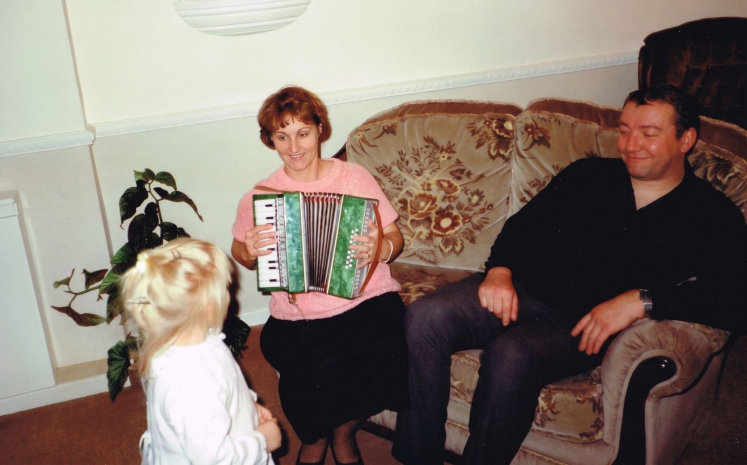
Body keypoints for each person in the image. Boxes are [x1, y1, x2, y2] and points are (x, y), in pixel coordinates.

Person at [392, 86, 747, 465]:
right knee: (426, 316)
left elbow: (735, 299)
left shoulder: (711, 214)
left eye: (648, 132)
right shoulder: (589, 174)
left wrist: (642, 301)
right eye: (624, 130)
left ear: (685, 139)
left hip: (580, 325)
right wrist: (499, 271)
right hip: (522, 291)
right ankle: (419, 456)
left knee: (512, 355)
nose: (630, 144)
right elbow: (521, 228)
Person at [231, 86, 408, 465]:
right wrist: (248, 250)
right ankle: (316, 439)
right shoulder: (260, 196)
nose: (293, 146)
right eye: (282, 136)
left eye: (302, 133)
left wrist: (381, 248)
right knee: (305, 361)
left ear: (320, 130)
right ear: (270, 140)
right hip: (299, 314)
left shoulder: (354, 178)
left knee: (386, 346)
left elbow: (395, 237)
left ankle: (342, 434)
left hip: (364, 299)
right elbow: (240, 253)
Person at [120, 238, 282, 465]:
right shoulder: (191, 383)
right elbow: (214, 459)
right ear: (208, 308)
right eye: (225, 289)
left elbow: (226, 383)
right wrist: (262, 442)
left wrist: (249, 406)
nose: (229, 295)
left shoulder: (201, 339)